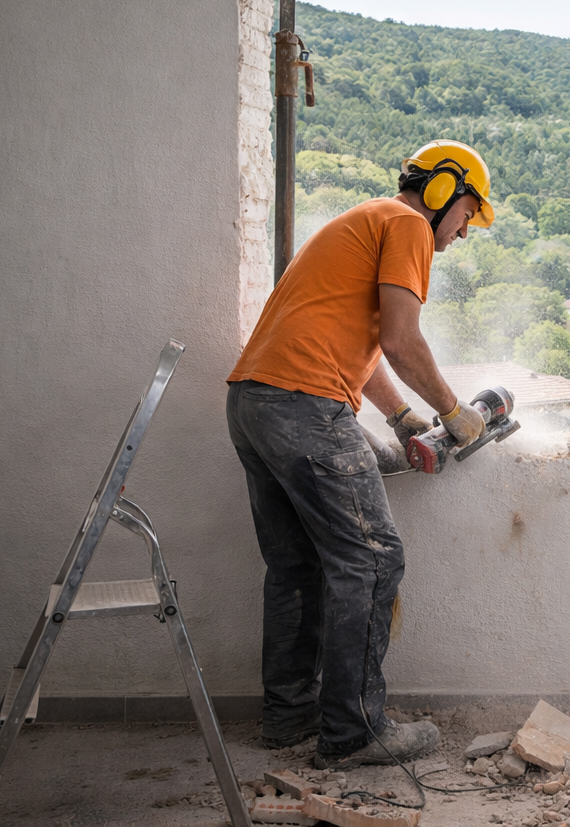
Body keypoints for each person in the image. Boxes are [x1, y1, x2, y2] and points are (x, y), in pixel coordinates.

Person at [226, 140, 496, 768]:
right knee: (373, 561)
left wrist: (402, 421)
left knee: (296, 566)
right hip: (303, 404)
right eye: (467, 217)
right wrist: (457, 416)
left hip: (254, 401)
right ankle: (354, 732)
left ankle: (289, 716)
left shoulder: (364, 220)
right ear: (443, 192)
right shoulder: (407, 225)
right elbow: (402, 340)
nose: (462, 235)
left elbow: (365, 341)